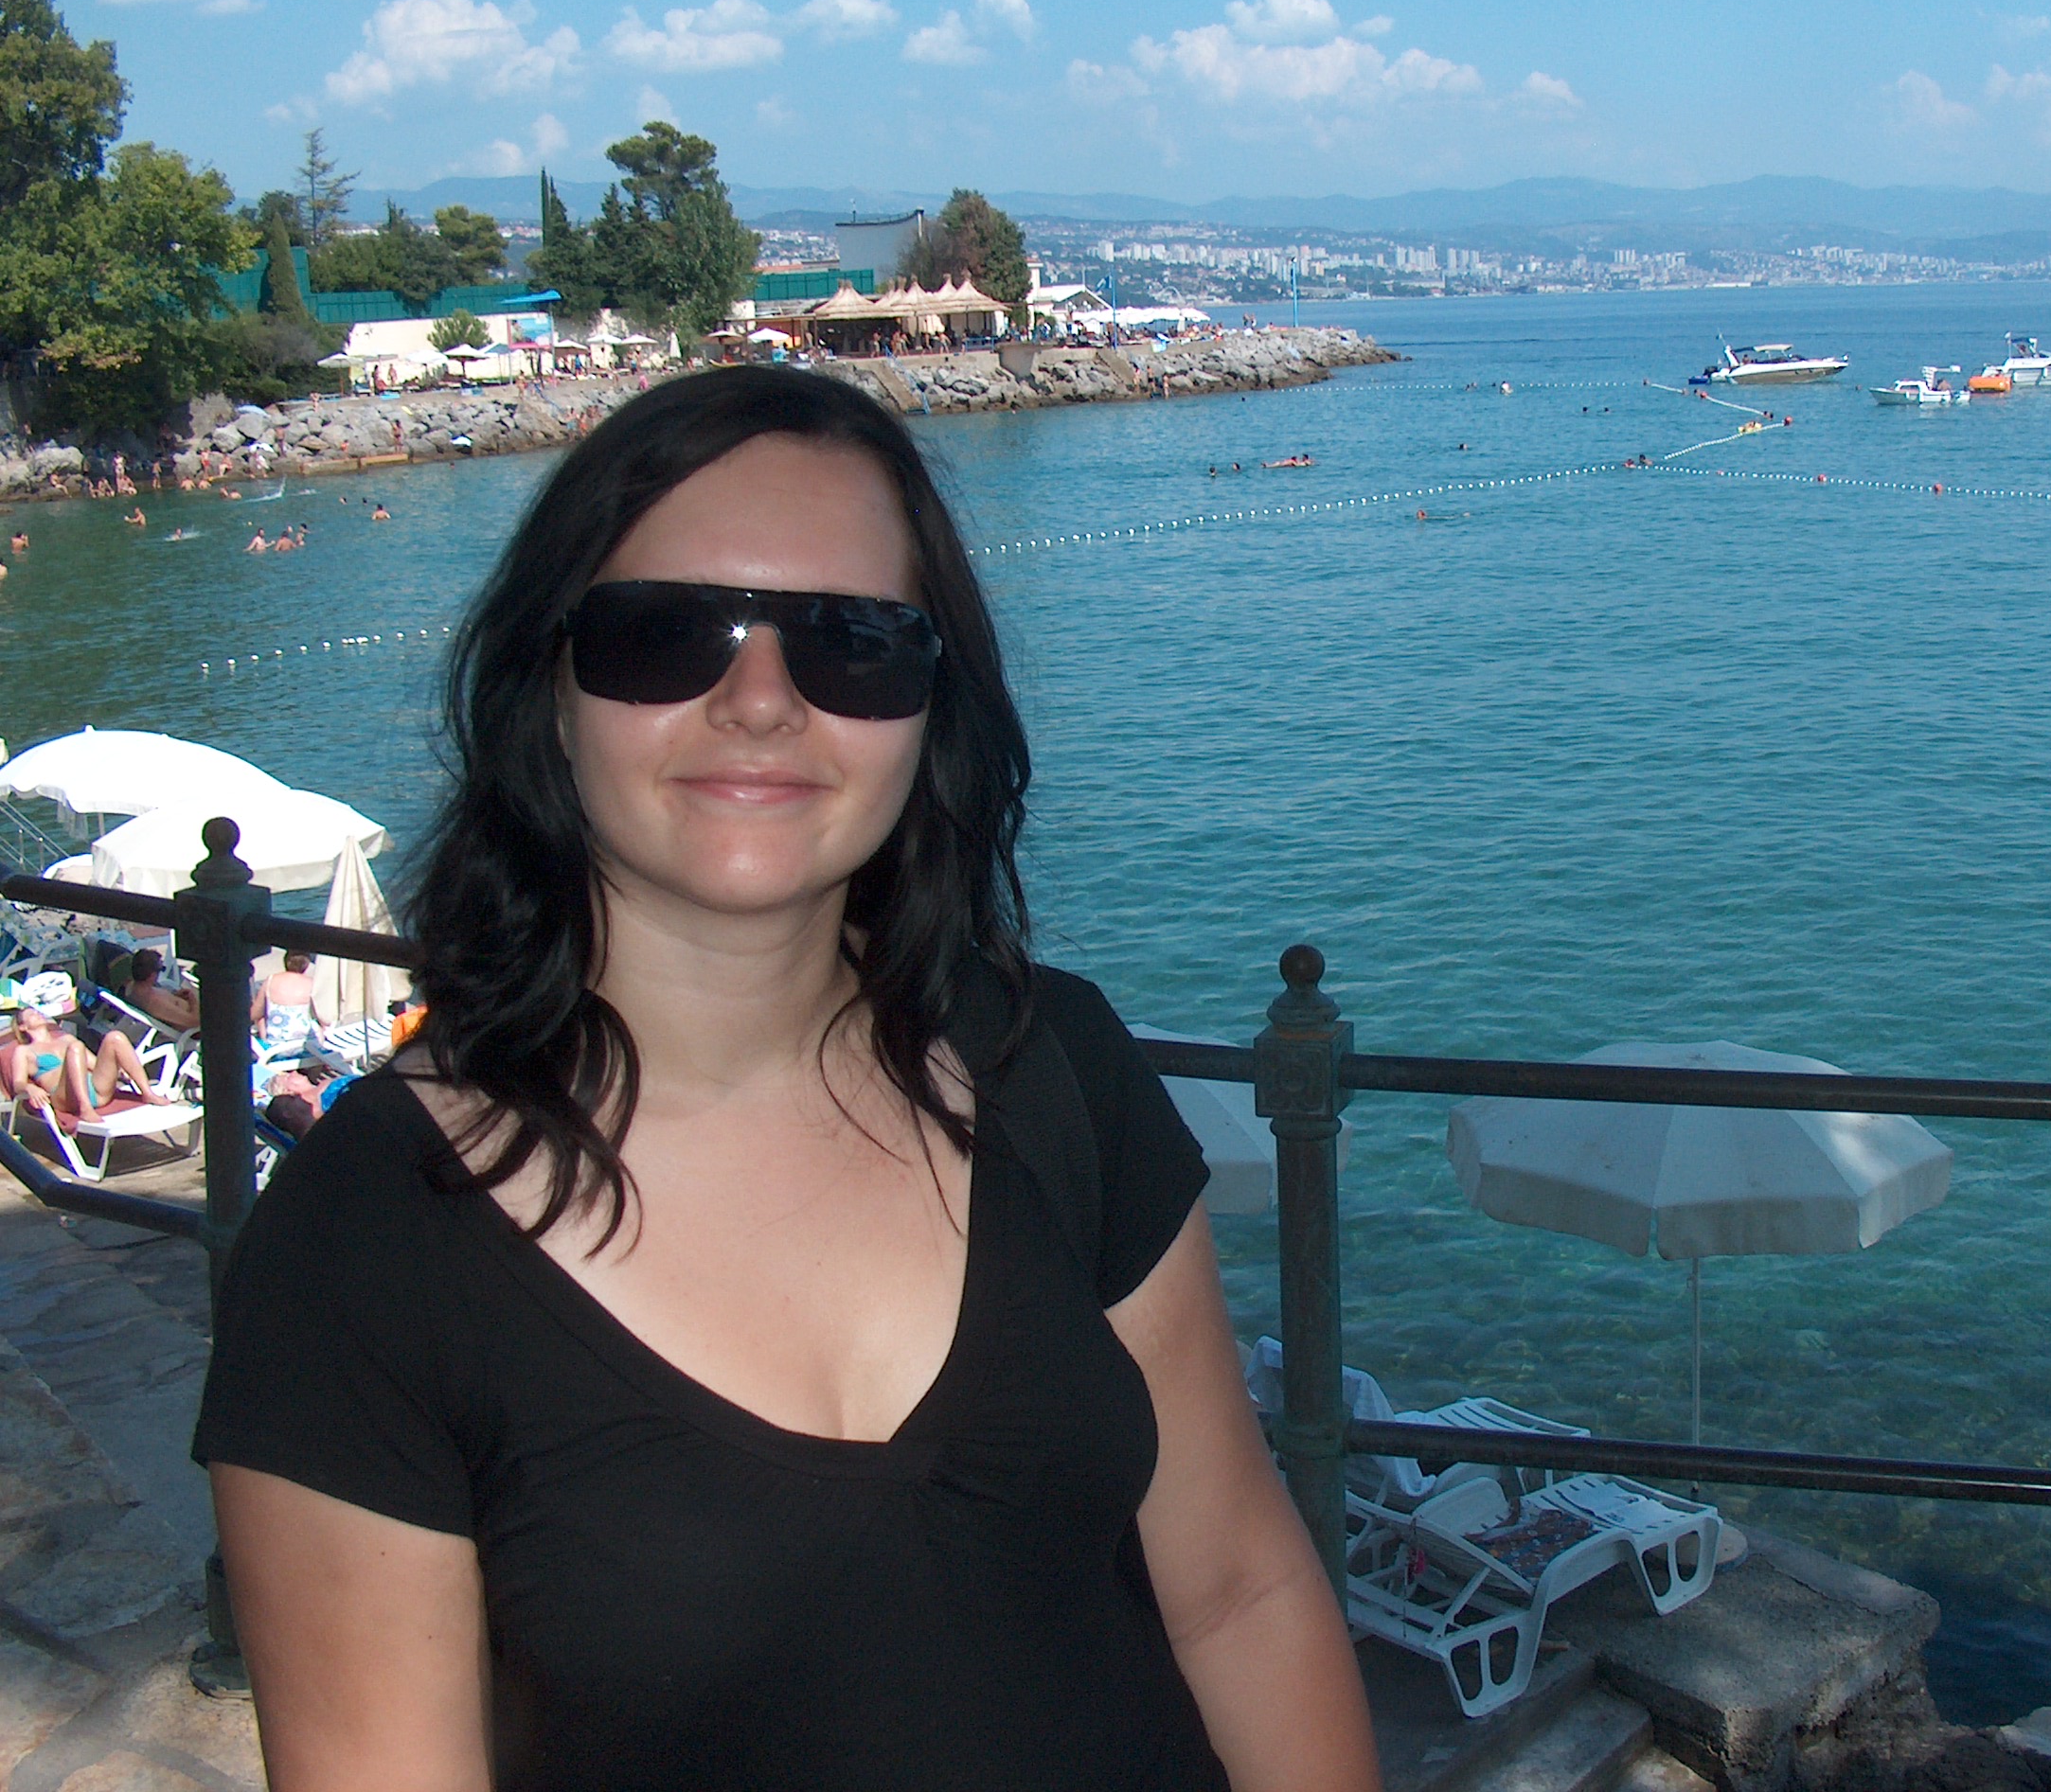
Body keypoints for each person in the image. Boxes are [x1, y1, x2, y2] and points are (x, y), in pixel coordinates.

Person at [194, 365, 1380, 1790]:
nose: (759, 699)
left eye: (853, 644)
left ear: (929, 706)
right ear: (548, 686)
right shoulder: (364, 1245)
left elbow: (1238, 1589)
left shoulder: (1050, 1062)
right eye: (664, 634)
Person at [3, 1002, 168, 1124]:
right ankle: (85, 1108)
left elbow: (95, 1065)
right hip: (65, 1097)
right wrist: (30, 1088)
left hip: (97, 1091)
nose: (38, 1014)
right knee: (75, 1047)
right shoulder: (24, 1051)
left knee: (115, 1037)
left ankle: (147, 1093)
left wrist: (118, 1072)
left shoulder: (66, 1039)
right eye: (32, 1014)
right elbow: (17, 1084)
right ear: (23, 1027)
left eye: (37, 1011)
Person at [251, 951, 321, 1056]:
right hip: (308, 1048)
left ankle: (266, 1041)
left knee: (261, 1016)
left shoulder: (271, 980)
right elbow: (323, 1017)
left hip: (275, 1049)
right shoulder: (312, 983)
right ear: (306, 965)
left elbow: (254, 1014)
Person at [120, 949, 201, 1031]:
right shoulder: (154, 1002)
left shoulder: (134, 988)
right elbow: (194, 1021)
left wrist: (175, 997)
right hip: (198, 1028)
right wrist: (193, 999)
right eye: (161, 969)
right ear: (152, 975)